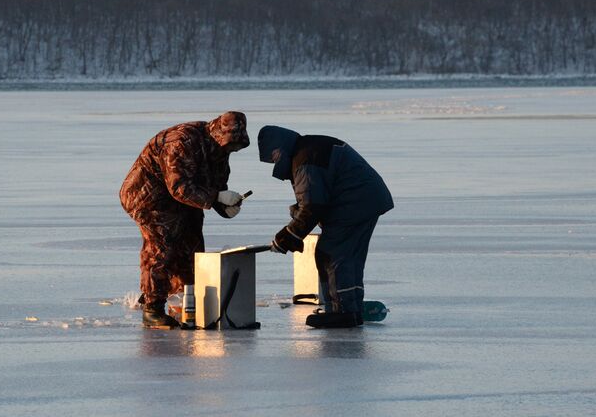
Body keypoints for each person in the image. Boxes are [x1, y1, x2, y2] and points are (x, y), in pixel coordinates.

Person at [120, 112, 249, 328]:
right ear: (220, 135)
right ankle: (152, 307)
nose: (232, 150)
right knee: (161, 246)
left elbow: (214, 183)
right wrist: (216, 197)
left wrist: (223, 206)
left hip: (182, 201)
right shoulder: (182, 141)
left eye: (235, 147)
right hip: (148, 197)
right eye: (230, 145)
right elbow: (179, 187)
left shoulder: (219, 149)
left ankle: (182, 300)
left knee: (192, 247)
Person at [258, 125, 393, 328]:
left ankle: (342, 311)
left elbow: (313, 205)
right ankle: (352, 307)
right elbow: (317, 196)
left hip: (354, 204)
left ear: (279, 151)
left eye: (274, 159)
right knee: (350, 256)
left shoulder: (305, 158)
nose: (275, 164)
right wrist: (297, 218)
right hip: (367, 200)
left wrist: (289, 235)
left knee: (331, 254)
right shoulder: (309, 148)